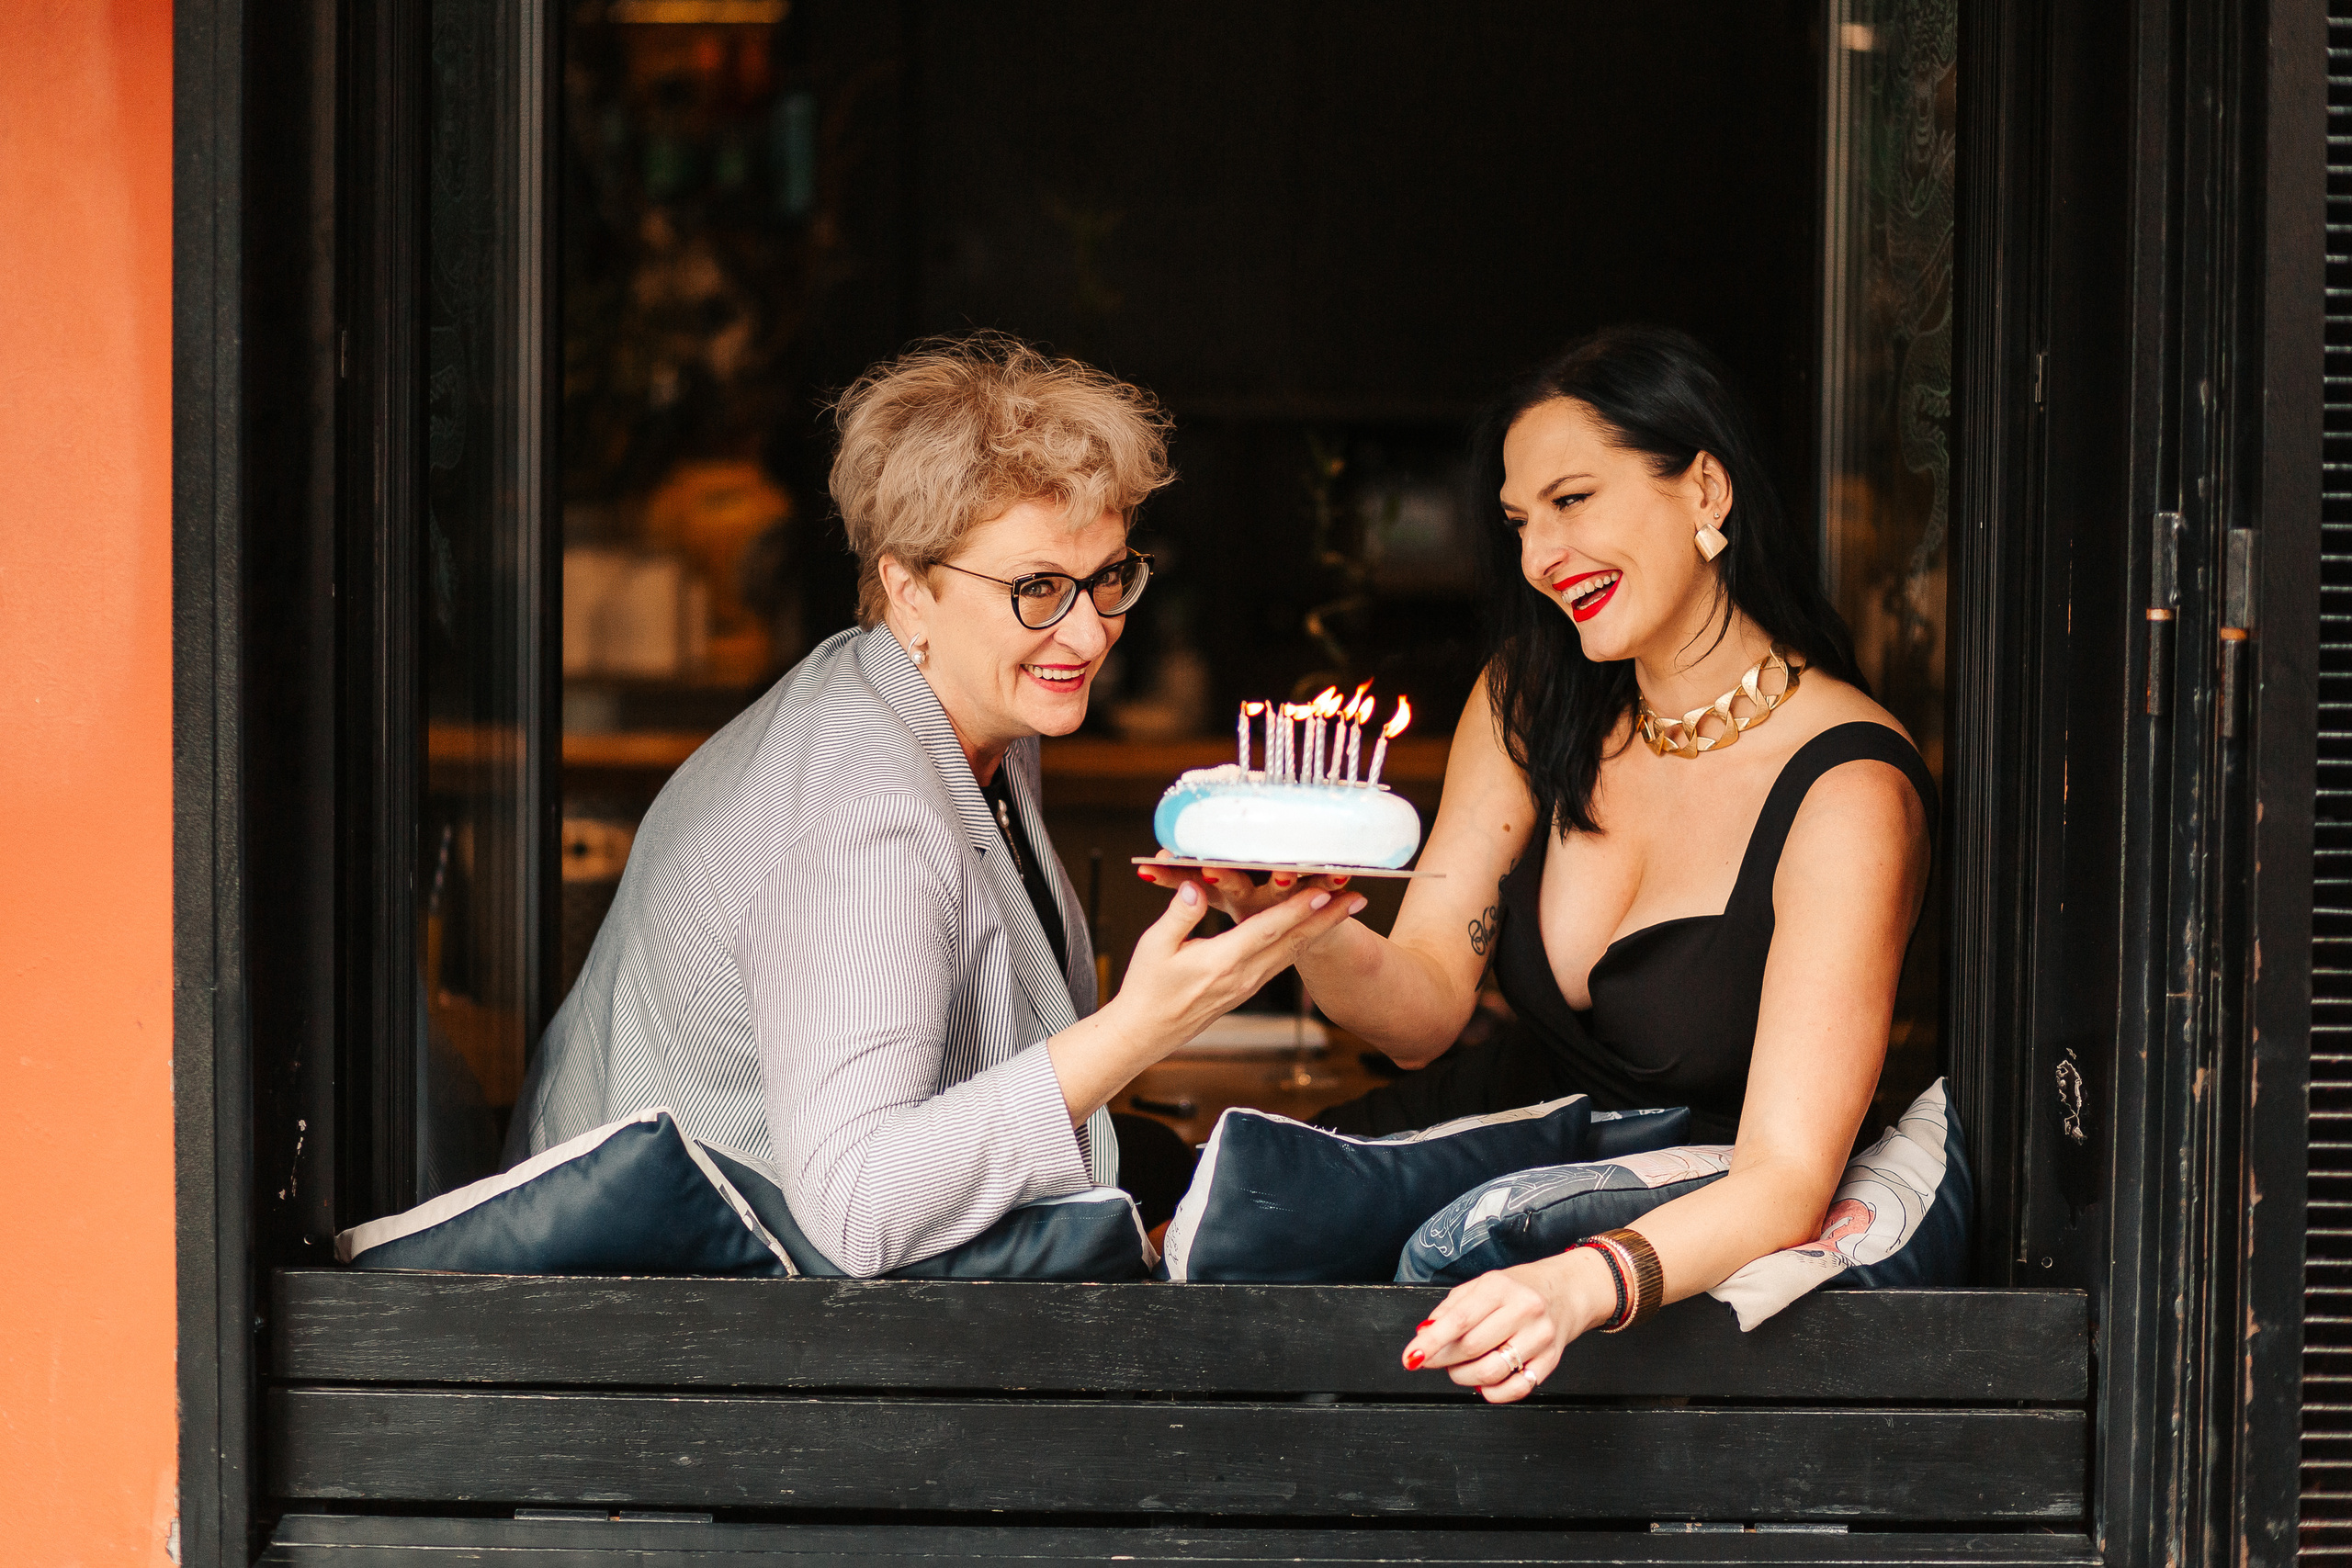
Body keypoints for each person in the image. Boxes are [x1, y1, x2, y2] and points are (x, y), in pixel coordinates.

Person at [1150, 326, 1932, 1400]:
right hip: (1469, 1159)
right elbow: (1423, 1013)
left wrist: (1575, 1286)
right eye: (1520, 522)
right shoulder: (1531, 694)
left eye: (1573, 501)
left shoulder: (1847, 789)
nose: (1539, 558)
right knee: (1172, 1267)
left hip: (1644, 1250)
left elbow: (1786, 1181)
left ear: (1704, 488)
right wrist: (1303, 918)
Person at [511, 333, 1363, 1276]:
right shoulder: (860, 818)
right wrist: (1147, 1021)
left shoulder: (954, 695)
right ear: (908, 591)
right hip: (680, 1336)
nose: (1088, 631)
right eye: (1037, 587)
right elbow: (862, 1207)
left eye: (1109, 576)